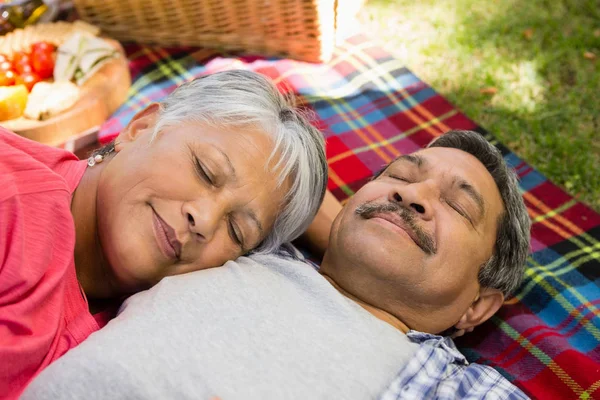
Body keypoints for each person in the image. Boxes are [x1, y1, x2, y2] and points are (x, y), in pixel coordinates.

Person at [21, 130, 532, 399]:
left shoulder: (456, 387)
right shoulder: (243, 240)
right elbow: (253, 132)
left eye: (458, 207)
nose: (411, 194)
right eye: (399, 174)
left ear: (479, 304)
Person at [0, 70, 329, 399]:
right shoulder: (12, 196)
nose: (204, 219)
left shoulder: (149, 336)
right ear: (141, 128)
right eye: (205, 170)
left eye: (236, 230)